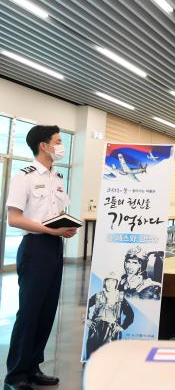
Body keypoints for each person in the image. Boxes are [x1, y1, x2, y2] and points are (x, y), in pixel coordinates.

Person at [4, 125, 77, 390]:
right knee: (29, 312)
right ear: (44, 146)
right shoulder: (23, 177)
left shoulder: (57, 178)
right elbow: (14, 218)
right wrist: (49, 229)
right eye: (58, 141)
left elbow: (55, 215)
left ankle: (33, 367)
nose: (61, 146)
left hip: (54, 247)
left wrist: (63, 228)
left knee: (46, 311)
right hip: (35, 248)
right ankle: (15, 374)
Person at [85, 273, 134, 360]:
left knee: (109, 357)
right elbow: (86, 305)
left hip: (112, 330)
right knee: (91, 356)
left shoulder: (120, 298)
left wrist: (123, 327)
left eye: (113, 281)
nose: (110, 284)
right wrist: (86, 319)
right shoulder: (98, 295)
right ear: (104, 282)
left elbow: (130, 315)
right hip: (95, 328)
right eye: (108, 281)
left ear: (116, 283)